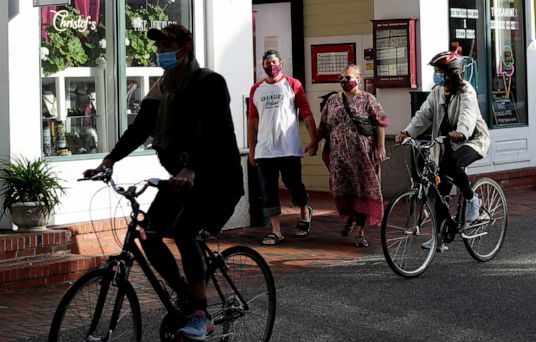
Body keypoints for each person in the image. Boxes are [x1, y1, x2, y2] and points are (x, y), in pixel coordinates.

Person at [83, 24, 243, 340]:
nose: (161, 52)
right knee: (148, 232)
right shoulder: (162, 90)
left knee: (184, 231)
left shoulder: (209, 83)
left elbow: (219, 134)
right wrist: (109, 160)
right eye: (158, 47)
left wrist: (193, 169)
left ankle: (201, 315)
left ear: (184, 49)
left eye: (167, 45)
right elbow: (139, 129)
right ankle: (186, 295)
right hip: (182, 180)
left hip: (219, 179)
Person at [395, 50, 490, 250]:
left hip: (471, 140)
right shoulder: (437, 92)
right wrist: (407, 132)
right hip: (446, 144)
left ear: (451, 72)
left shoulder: (466, 91)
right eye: (436, 71)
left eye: (440, 71)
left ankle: (473, 201)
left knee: (453, 163)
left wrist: (461, 132)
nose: (436, 75)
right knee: (439, 189)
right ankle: (439, 236)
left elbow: (467, 116)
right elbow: (423, 115)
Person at [248, 49, 318, 245]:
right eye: (267, 63)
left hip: (288, 147)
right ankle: (276, 231)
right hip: (265, 149)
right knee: (268, 190)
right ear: (262, 65)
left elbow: (306, 113)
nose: (271, 66)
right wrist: (252, 150)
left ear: (281, 63)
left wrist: (314, 139)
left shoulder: (292, 84)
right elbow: (252, 121)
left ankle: (304, 209)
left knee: (293, 184)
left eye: (274, 62)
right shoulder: (256, 89)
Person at [317, 64, 389, 247]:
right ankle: (351, 216)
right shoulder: (332, 101)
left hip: (362, 156)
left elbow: (380, 122)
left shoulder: (367, 99)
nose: (344, 81)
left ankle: (360, 232)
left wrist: (380, 148)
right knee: (343, 190)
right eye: (341, 78)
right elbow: (323, 126)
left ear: (358, 78)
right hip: (339, 159)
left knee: (363, 191)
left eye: (348, 78)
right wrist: (313, 142)